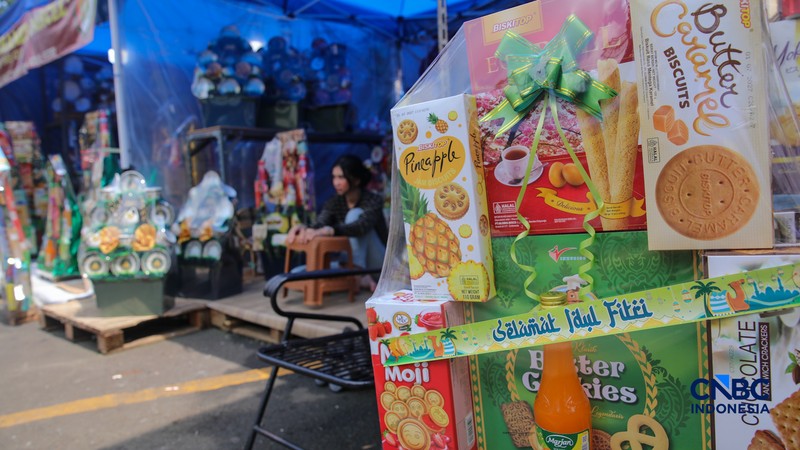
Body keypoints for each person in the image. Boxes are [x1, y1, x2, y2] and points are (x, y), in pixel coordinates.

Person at [286, 154, 388, 290]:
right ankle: (355, 276)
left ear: (356, 180)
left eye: (341, 177)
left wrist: (331, 230)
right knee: (297, 274)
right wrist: (302, 228)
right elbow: (320, 223)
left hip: (379, 264)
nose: (336, 182)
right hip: (348, 260)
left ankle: (358, 274)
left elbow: (361, 226)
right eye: (334, 177)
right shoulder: (335, 202)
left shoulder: (373, 200)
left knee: (354, 214)